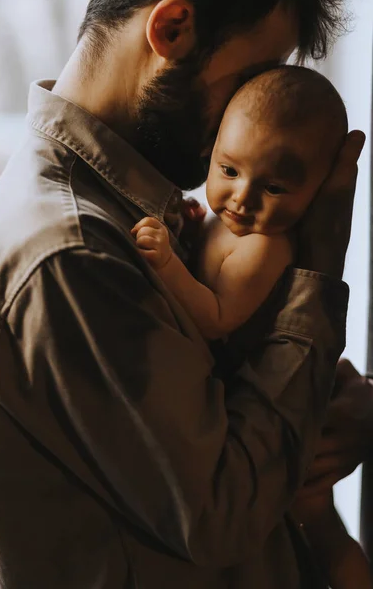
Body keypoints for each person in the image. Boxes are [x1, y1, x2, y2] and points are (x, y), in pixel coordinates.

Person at [0, 0, 366, 588]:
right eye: (251, 75)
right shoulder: (70, 255)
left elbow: (232, 409)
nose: (250, 109)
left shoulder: (154, 214)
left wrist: (324, 413)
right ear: (174, 28)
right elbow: (223, 510)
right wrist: (319, 267)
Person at [132, 65, 372, 588]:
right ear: (213, 148)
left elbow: (217, 318)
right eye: (229, 169)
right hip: (258, 399)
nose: (243, 198)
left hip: (280, 406)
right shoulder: (230, 220)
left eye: (276, 186)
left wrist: (169, 263)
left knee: (323, 532)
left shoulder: (266, 246)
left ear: (321, 190)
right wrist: (194, 234)